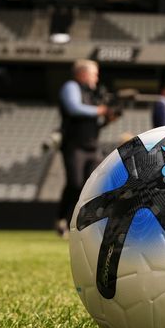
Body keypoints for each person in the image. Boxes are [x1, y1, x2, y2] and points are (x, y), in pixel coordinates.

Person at [57, 59, 110, 237]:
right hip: (75, 146)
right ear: (83, 73)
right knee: (75, 183)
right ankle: (62, 219)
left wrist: (109, 116)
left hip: (92, 146)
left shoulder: (92, 94)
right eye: (94, 73)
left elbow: (96, 122)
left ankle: (85, 225)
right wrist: (99, 111)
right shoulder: (71, 87)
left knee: (93, 187)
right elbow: (73, 108)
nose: (96, 78)